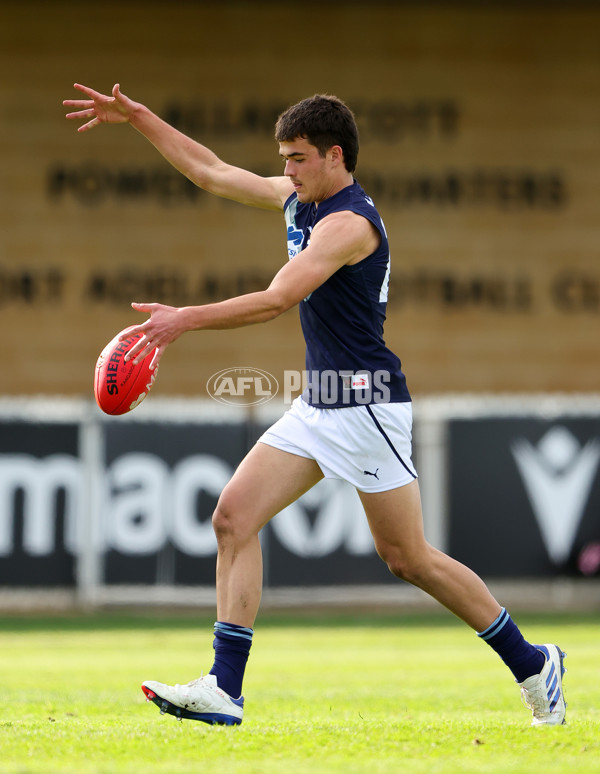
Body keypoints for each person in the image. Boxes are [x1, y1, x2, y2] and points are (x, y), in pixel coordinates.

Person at [64, 83, 566, 728]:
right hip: (321, 402)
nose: (287, 170)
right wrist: (137, 118)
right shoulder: (299, 200)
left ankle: (532, 663)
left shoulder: (348, 224)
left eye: (298, 158)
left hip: (368, 405)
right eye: (284, 158)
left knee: (408, 558)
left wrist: (183, 320)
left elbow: (278, 299)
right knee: (232, 518)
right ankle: (224, 686)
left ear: (335, 156)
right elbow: (210, 173)